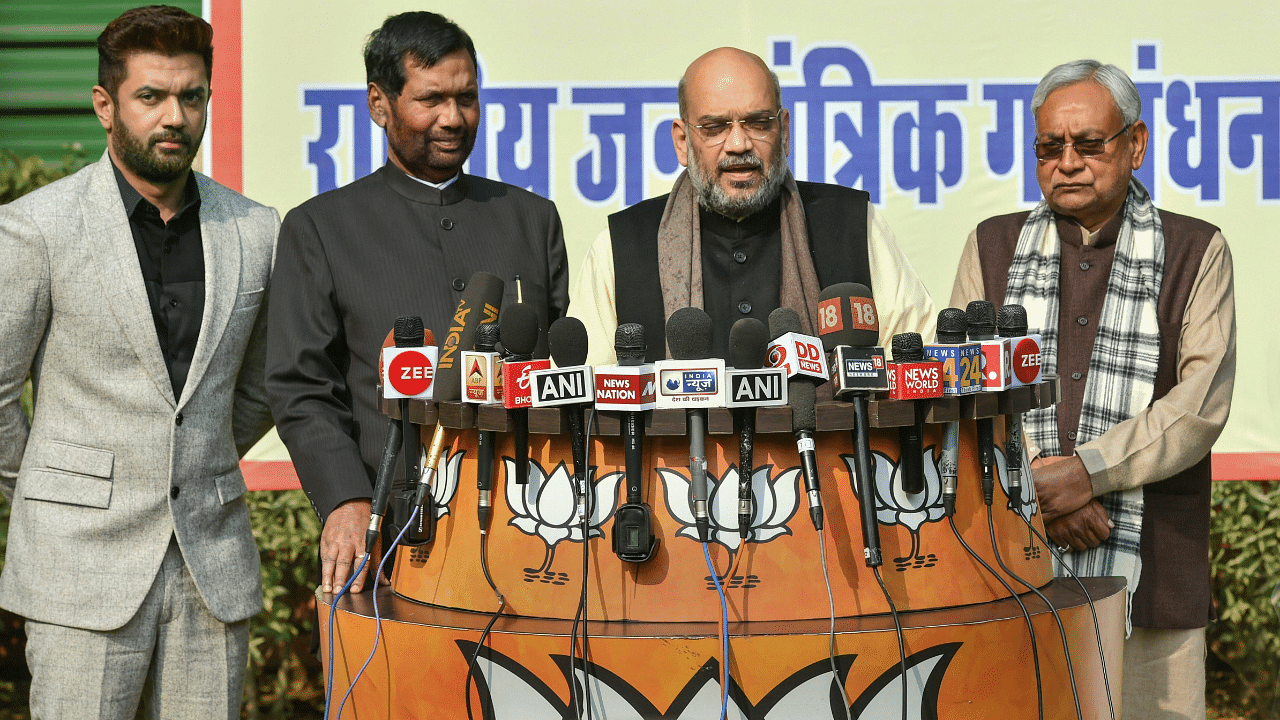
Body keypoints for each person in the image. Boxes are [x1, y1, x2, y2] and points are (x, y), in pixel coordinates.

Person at [0, 6, 278, 718]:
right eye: (150, 97)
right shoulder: (37, 228)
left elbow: (262, 385)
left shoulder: (254, 230)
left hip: (209, 568)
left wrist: (193, 458)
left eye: (191, 96)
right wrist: (55, 488)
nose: (175, 116)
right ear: (105, 105)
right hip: (78, 570)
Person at [950, 59, 1235, 719]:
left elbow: (1200, 404)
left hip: (1153, 575)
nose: (1068, 162)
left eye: (1088, 144)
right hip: (1011, 562)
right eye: (1050, 147)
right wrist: (1044, 490)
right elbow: (967, 392)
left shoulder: (1196, 249)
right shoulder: (992, 247)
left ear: (1134, 145)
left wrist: (1090, 472)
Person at [266, 11, 568, 596]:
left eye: (467, 98)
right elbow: (299, 386)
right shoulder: (322, 229)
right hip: (388, 536)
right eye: (431, 100)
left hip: (528, 528)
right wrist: (345, 500)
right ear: (380, 104)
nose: (453, 119)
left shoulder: (531, 220)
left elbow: (559, 371)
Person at [569, 47, 935, 365]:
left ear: (785, 131)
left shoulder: (853, 224)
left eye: (758, 123)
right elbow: (582, 404)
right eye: (714, 128)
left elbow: (920, 358)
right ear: (682, 141)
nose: (739, 143)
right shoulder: (620, 247)